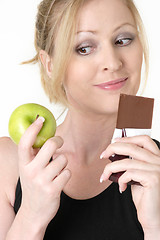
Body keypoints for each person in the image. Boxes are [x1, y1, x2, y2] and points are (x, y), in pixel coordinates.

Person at [0, 0, 160, 239]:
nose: (113, 63)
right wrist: (31, 215)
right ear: (50, 64)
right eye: (84, 47)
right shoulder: (7, 165)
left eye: (123, 40)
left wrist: (155, 226)